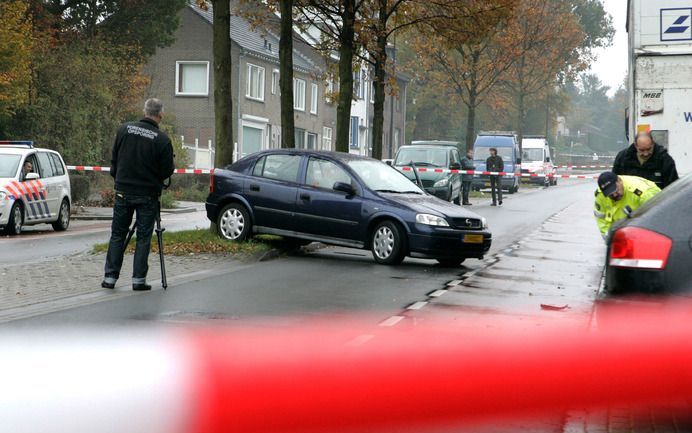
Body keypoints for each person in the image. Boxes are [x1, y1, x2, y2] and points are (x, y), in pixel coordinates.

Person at [102, 98, 175, 291]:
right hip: (147, 195)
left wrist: (118, 178)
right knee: (143, 237)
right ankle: (138, 280)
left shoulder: (123, 130)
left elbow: (114, 160)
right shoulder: (162, 140)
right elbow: (167, 171)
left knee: (117, 234)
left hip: (123, 192)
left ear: (144, 111)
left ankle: (110, 277)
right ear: (161, 114)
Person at [593, 171, 660, 240]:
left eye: (616, 190)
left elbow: (655, 221)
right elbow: (602, 219)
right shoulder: (601, 195)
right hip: (627, 230)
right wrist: (609, 238)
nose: (614, 195)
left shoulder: (642, 194)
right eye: (610, 194)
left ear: (619, 181)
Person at [612, 132, 678, 189]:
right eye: (642, 150)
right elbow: (615, 182)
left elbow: (672, 187)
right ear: (635, 146)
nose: (646, 154)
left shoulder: (665, 160)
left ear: (653, 144)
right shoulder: (622, 158)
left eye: (649, 149)